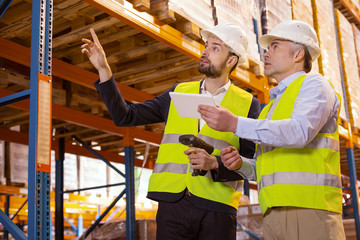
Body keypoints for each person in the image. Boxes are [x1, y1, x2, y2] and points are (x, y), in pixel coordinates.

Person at [81, 23, 260, 240]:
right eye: (206, 46)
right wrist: (104, 70)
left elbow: (251, 165)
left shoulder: (247, 104)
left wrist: (215, 164)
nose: (205, 51)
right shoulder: (179, 92)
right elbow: (125, 116)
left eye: (215, 48)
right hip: (173, 205)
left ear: (231, 60)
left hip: (218, 209)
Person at [198, 20, 346, 240]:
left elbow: (299, 132)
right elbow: (265, 167)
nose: (265, 54)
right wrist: (241, 165)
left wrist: (235, 124)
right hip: (273, 212)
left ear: (298, 55)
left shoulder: (315, 85)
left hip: (310, 209)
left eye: (275, 46)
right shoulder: (271, 109)